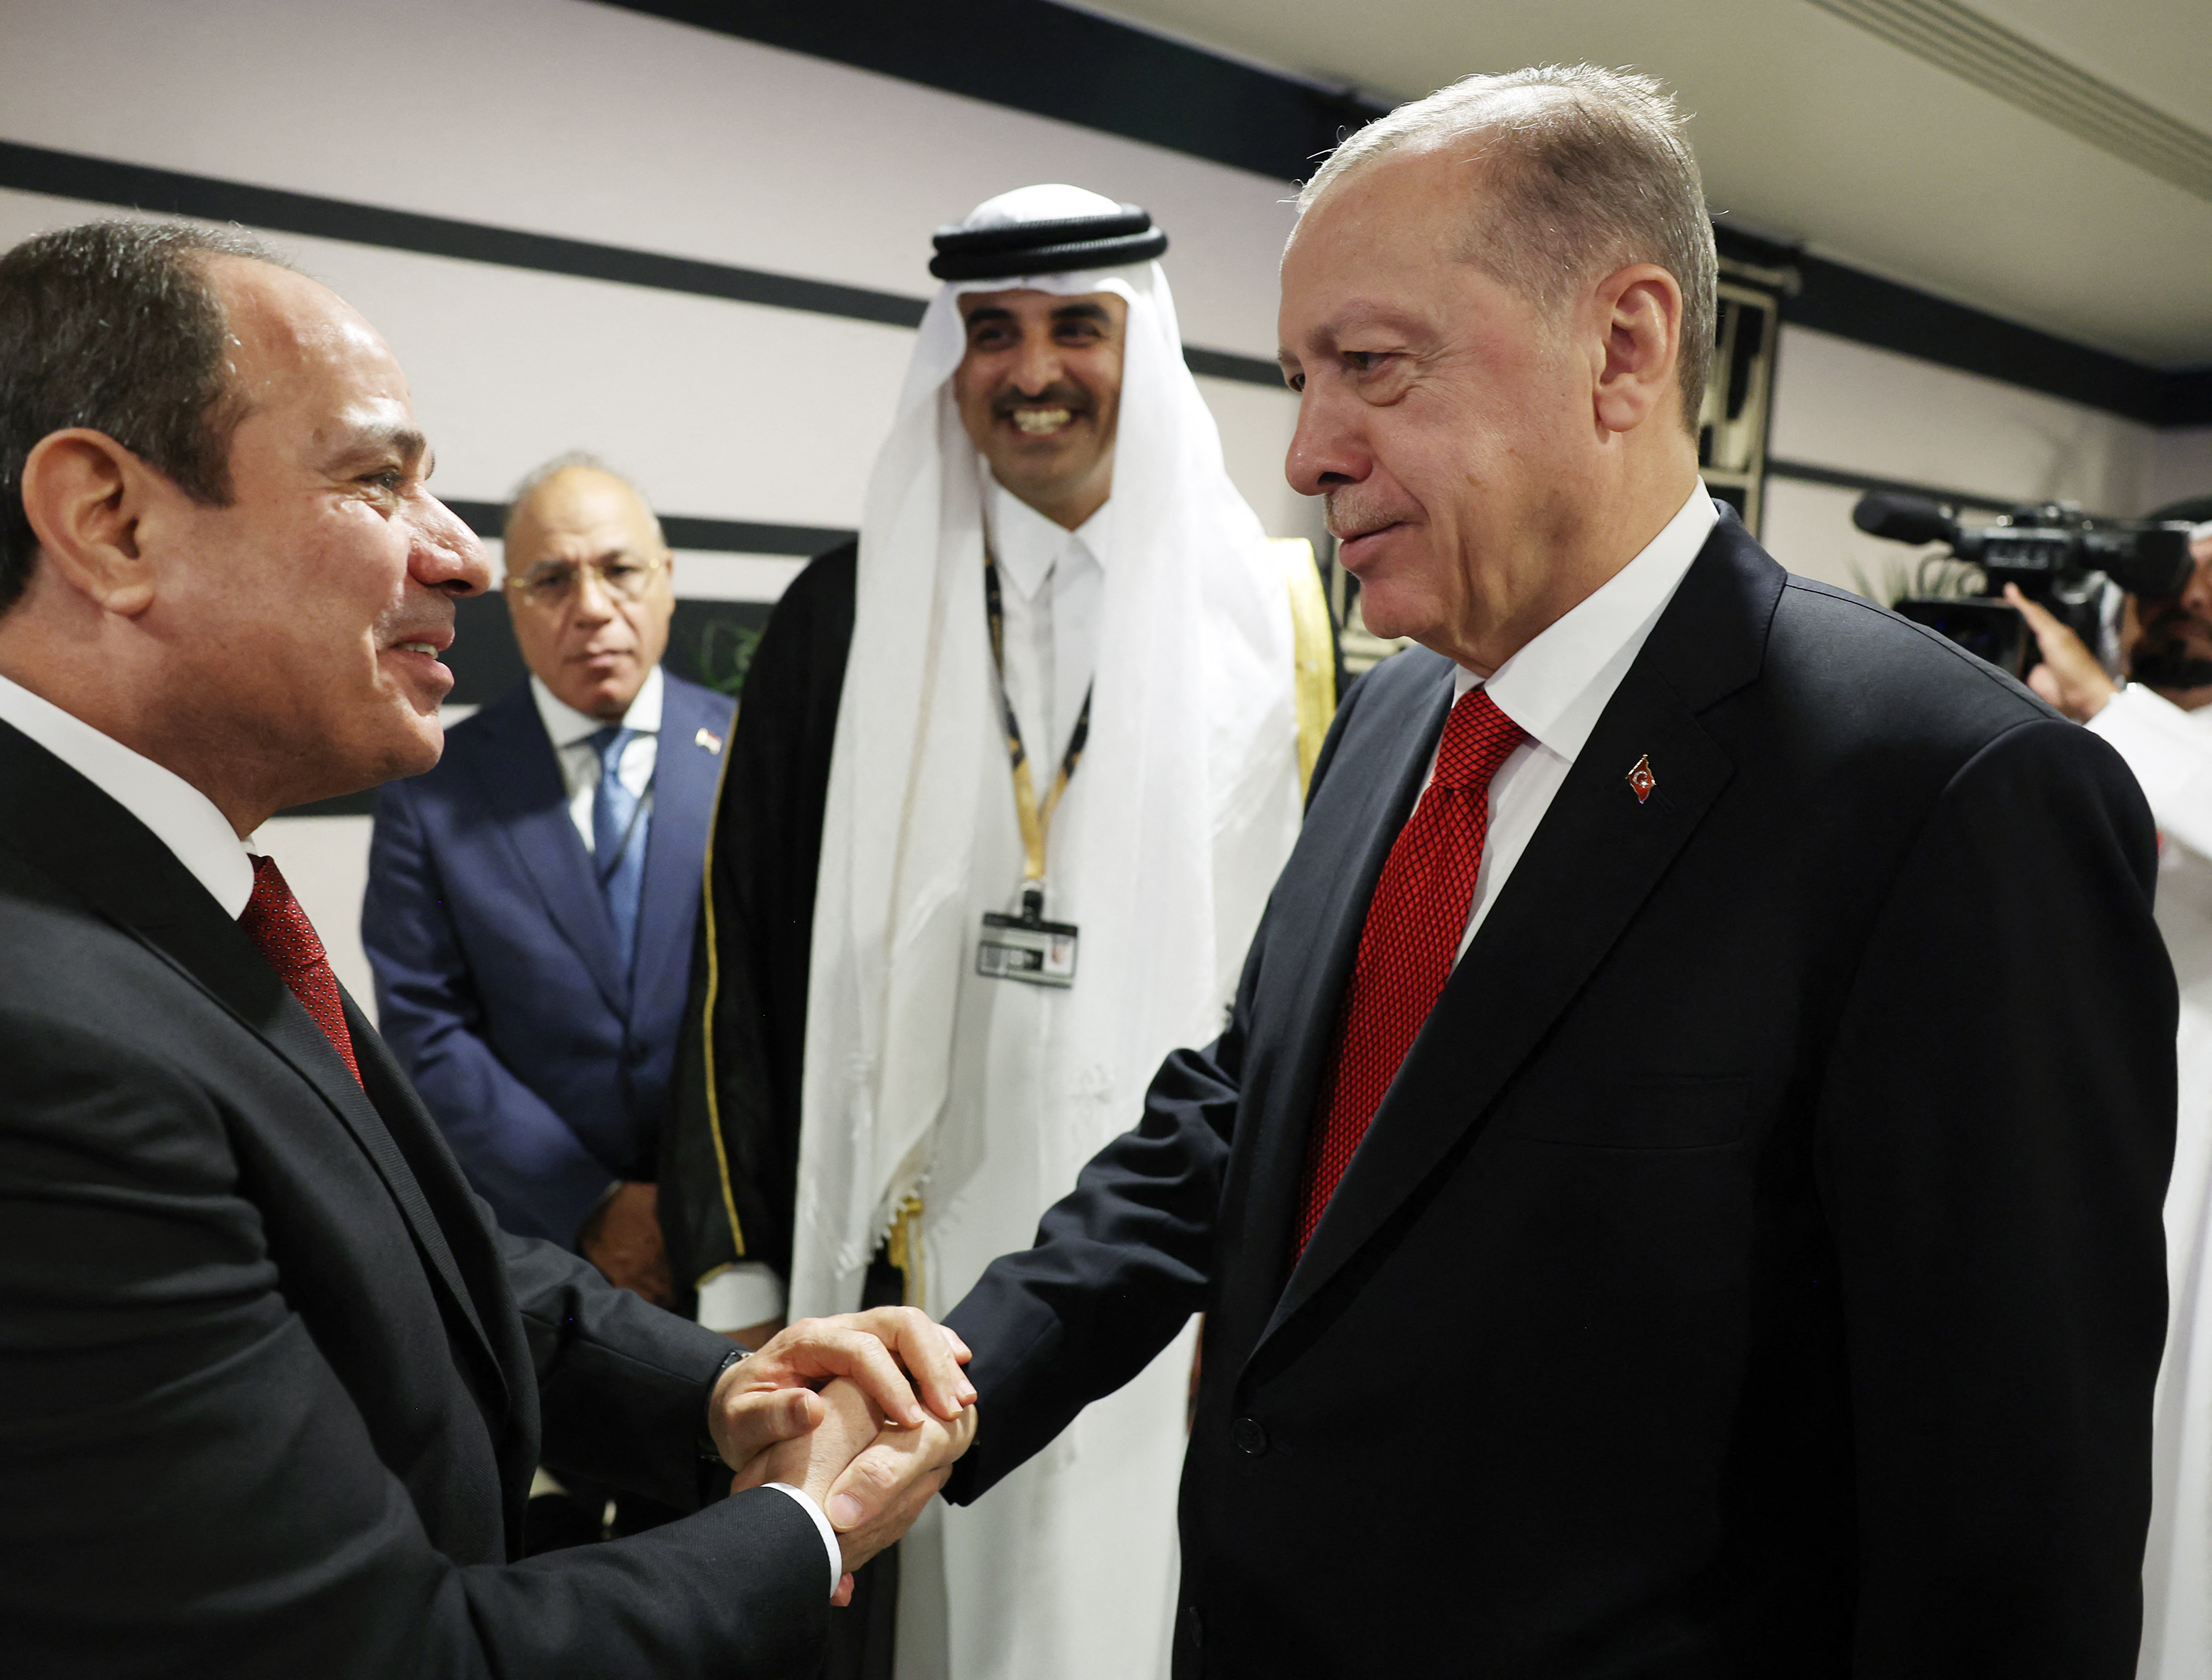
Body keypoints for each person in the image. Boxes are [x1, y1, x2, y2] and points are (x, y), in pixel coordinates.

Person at [938, 68, 2175, 1676]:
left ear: (1624, 347)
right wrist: (960, 1374)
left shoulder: (1945, 796)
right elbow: (1259, 1106)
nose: (1306, 453)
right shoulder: (1393, 717)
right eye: (1301, 378)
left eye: (1372, 367)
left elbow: (2008, 1539)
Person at [0, 219, 974, 1676]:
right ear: (109, 522)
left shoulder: (91, 867)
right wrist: (804, 1526)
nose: (465, 556)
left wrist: (721, 1389)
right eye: (377, 480)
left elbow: (381, 1235)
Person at [660, 185, 1335, 1676]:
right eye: (991, 333)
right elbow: (737, 959)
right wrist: (741, 1285)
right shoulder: (843, 617)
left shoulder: (1274, 619)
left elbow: (1306, 995)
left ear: (1139, 343)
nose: (1032, 371)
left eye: (1075, 326)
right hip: (894, 1264)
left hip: (1166, 1277)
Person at [366, 457, 729, 1296]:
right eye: (553, 580)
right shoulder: (434, 789)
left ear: (667, 580)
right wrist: (593, 1204)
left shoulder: (758, 756)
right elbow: (427, 1028)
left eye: (620, 570)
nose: (592, 608)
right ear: (512, 602)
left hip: (747, 1236)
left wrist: (714, 1202)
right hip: (542, 1257)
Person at [2007, 499, 2212, 1680]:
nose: (2184, 600)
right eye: (2164, 577)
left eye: (2209, 578)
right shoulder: (2058, 733)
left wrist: (2109, 710)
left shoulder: (2127, 730)